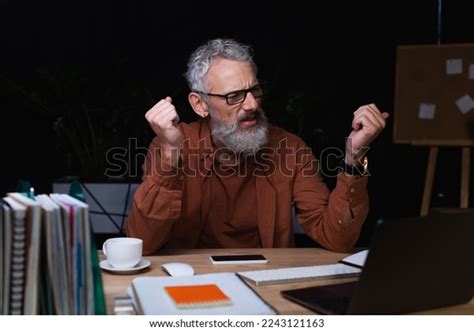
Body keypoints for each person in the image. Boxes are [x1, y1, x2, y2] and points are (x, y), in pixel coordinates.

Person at [126, 38, 388, 255]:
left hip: (267, 283)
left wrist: (354, 155)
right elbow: (141, 244)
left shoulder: (290, 148)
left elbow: (337, 239)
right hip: (191, 282)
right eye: (234, 96)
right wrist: (171, 153)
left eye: (255, 90)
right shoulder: (172, 143)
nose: (251, 104)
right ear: (200, 104)